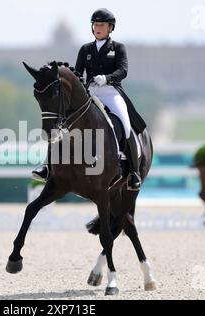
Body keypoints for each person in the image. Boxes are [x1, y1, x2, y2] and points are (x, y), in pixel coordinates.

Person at [32, 8, 146, 191]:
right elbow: (77, 73)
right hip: (89, 93)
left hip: (111, 92)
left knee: (125, 124)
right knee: (62, 123)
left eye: (102, 25)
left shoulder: (117, 48)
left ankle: (133, 172)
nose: (98, 28)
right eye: (95, 25)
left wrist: (106, 78)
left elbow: (123, 71)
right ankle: (47, 166)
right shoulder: (85, 49)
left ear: (110, 28)